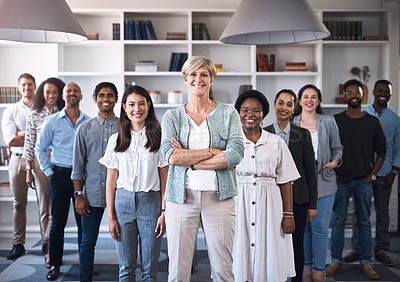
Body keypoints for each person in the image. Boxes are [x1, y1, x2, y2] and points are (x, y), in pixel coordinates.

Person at [160, 55, 244, 282]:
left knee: (223, 268)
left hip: (220, 198)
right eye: (193, 74)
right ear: (185, 79)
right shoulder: (172, 116)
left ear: (212, 80)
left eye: (204, 74)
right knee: (178, 269)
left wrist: (190, 161)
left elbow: (235, 153)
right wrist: (213, 152)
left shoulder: (229, 113)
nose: (199, 79)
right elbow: (171, 156)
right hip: (180, 198)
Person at [100, 85, 168, 281]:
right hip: (123, 203)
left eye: (141, 104)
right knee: (126, 269)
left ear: (148, 106)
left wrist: (164, 212)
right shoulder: (116, 140)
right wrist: (111, 216)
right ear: (124, 107)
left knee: (149, 270)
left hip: (151, 203)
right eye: (131, 104)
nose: (136, 109)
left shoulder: (159, 138)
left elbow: (165, 178)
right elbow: (111, 181)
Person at [233, 90, 299, 281]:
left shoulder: (276, 142)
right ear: (238, 113)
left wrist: (288, 215)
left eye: (256, 110)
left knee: (269, 253)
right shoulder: (230, 143)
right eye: (245, 110)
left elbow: (286, 180)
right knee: (240, 252)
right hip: (239, 205)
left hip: (270, 206)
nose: (250, 114)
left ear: (264, 114)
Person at [325, 79, 386, 280]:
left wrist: (371, 176)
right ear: (344, 96)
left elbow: (382, 152)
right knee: (339, 222)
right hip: (341, 181)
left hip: (364, 181)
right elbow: (328, 149)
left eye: (356, 92)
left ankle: (366, 263)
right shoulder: (335, 121)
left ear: (362, 95)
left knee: (364, 223)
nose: (353, 95)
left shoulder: (372, 122)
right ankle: (336, 261)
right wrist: (334, 173)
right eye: (349, 92)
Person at [35, 82, 89, 281]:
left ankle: (86, 265)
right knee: (58, 223)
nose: (72, 93)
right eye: (68, 91)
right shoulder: (52, 121)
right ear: (63, 96)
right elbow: (39, 149)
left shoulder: (88, 122)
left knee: (84, 223)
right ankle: (55, 264)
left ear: (81, 95)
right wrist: (49, 173)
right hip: (59, 175)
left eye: (75, 90)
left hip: (82, 178)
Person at [343, 79, 399, 267]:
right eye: (380, 90)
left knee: (383, 211)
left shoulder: (395, 119)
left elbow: (397, 147)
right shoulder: (362, 113)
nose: (383, 93)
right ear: (373, 92)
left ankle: (381, 249)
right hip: (363, 171)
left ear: (390, 94)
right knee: (361, 211)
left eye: (387, 91)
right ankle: (357, 248)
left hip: (385, 173)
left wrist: (394, 171)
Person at [264, 89, 317, 282]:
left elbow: (310, 170)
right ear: (274, 105)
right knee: (271, 242)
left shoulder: (302, 134)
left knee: (296, 243)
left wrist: (312, 204)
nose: (284, 107)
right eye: (280, 103)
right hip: (270, 196)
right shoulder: (263, 133)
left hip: (299, 198)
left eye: (289, 104)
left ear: (294, 108)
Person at [292, 84, 343, 282]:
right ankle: (306, 270)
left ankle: (319, 271)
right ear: (299, 100)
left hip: (324, 178)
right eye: (306, 96)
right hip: (300, 181)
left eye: (314, 97)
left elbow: (338, 148)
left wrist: (334, 162)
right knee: (304, 228)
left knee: (320, 228)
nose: (309, 100)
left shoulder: (328, 121)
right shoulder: (292, 122)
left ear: (319, 101)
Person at [72, 82, 119, 282]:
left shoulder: (125, 126)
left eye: (110, 95)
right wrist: (78, 195)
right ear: (95, 99)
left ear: (116, 99)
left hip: (119, 195)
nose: (105, 99)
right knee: (87, 242)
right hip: (90, 196)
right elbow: (78, 166)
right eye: (101, 95)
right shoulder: (84, 129)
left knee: (125, 243)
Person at [23, 77, 65, 267]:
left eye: (54, 92)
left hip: (62, 164)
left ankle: (54, 243)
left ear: (60, 94)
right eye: (47, 92)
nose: (51, 96)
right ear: (42, 94)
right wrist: (29, 170)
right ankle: (47, 243)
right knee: (44, 207)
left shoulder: (67, 112)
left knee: (57, 208)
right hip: (41, 164)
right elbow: (29, 144)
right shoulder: (35, 115)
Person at [1, 73, 36, 260]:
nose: (27, 88)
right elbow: (11, 141)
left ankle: (48, 244)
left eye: (30, 84)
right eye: (23, 85)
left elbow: (46, 137)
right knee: (19, 203)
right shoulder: (11, 110)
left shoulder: (43, 109)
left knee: (46, 205)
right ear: (18, 88)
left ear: (35, 87)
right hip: (18, 159)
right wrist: (32, 134)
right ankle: (18, 243)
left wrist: (22, 132)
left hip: (39, 160)